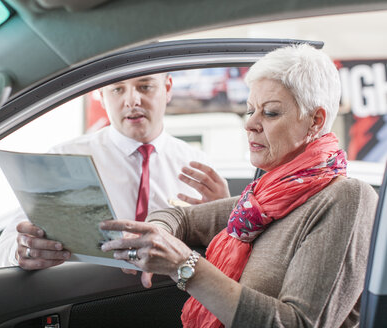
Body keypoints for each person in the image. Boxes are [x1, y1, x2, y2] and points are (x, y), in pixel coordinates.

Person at [99, 44, 379, 327]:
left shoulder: (346, 198)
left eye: (269, 113)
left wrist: (185, 265)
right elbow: (178, 217)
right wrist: (157, 236)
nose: (250, 124)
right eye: (250, 110)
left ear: (315, 121)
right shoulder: (260, 200)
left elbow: (298, 323)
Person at [0, 73, 229, 269]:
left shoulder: (198, 164)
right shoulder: (64, 159)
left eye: (145, 86)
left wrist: (225, 218)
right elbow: (5, 248)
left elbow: (224, 256)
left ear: (167, 88)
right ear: (101, 95)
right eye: (117, 89)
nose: (132, 100)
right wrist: (24, 250)